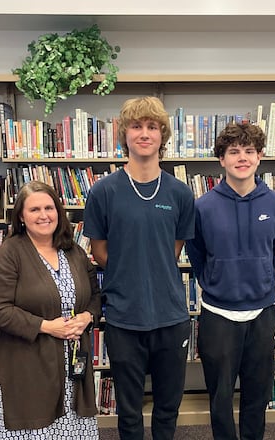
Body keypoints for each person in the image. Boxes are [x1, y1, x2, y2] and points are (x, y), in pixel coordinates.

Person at [83, 96, 195, 440]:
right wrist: (130, 272)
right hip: (124, 317)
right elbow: (98, 249)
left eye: (152, 127)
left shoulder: (180, 193)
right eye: (136, 126)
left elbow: (173, 250)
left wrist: (149, 267)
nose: (144, 134)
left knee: (167, 408)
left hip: (171, 316)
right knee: (129, 412)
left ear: (163, 135)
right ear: (124, 134)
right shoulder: (103, 191)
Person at [185, 122, 275, 440]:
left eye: (248, 151)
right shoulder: (202, 207)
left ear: (259, 157)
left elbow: (274, 254)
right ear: (222, 159)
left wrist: (257, 277)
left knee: (257, 396)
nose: (241, 158)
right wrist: (218, 281)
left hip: (262, 311)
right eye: (234, 152)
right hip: (218, 313)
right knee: (219, 398)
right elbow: (197, 254)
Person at [0, 181, 101, 438]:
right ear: (22, 217)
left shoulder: (74, 252)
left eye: (49, 208)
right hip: (29, 365)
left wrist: (87, 317)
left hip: (73, 369)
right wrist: (46, 327)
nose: (44, 215)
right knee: (36, 428)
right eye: (34, 209)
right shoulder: (9, 254)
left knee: (73, 429)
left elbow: (95, 296)